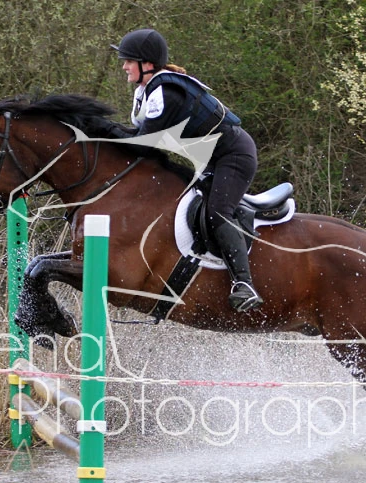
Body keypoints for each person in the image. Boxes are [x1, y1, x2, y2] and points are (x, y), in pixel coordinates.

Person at [110, 28, 264, 313]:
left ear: (147, 63)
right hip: (208, 159)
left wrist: (103, 131)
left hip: (233, 156)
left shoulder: (165, 92)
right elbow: (137, 135)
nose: (124, 66)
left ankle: (244, 284)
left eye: (129, 61)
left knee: (218, 212)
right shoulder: (148, 90)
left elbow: (144, 145)